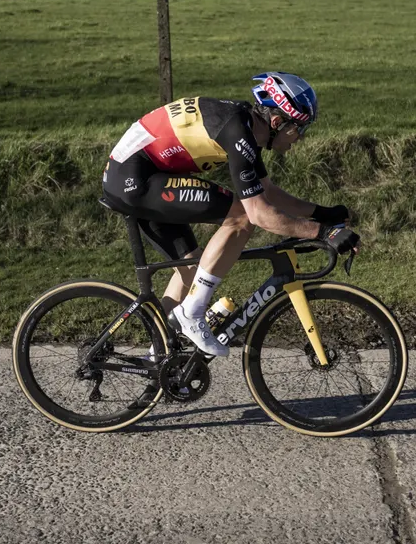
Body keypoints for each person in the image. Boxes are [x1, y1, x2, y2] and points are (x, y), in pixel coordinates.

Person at [100, 72, 360, 356]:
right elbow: (259, 214)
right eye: (299, 128)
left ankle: (159, 358)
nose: (300, 138)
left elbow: (267, 191)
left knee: (192, 270)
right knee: (240, 216)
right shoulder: (237, 131)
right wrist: (324, 233)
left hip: (139, 176)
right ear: (277, 122)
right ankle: (192, 313)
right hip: (136, 179)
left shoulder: (244, 124)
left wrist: (322, 213)